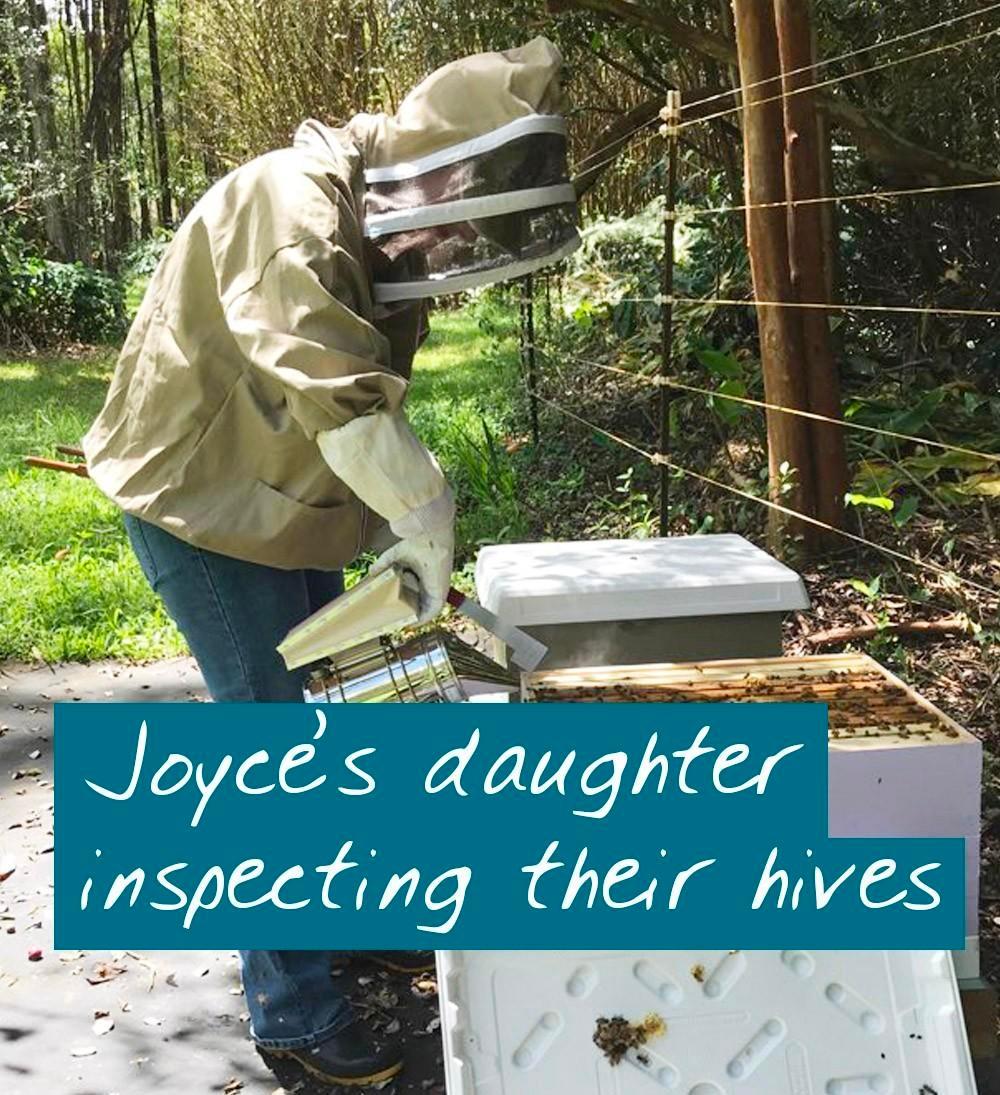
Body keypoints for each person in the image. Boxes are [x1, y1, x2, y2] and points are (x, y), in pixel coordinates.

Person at [82, 36, 579, 1088]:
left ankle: (347, 926)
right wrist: (422, 504)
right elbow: (330, 380)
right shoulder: (291, 206)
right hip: (203, 507)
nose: (457, 236)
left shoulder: (362, 211)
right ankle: (295, 1014)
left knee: (334, 718)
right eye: (466, 202)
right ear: (443, 165)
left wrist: (402, 517)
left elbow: (349, 400)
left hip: (282, 499)